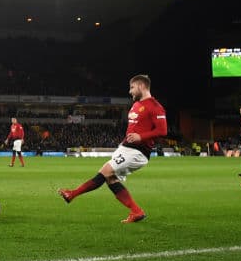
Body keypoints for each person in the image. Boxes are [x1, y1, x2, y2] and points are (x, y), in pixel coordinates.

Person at [59, 74, 166, 223]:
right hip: (126, 148)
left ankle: (72, 194)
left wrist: (141, 137)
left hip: (138, 152)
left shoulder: (155, 106)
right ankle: (136, 211)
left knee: (105, 172)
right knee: (110, 178)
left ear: (142, 86)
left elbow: (162, 131)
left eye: (132, 87)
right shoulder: (136, 105)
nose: (130, 91)